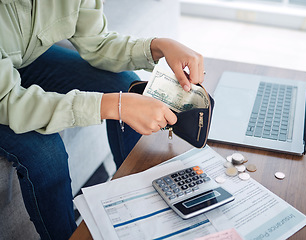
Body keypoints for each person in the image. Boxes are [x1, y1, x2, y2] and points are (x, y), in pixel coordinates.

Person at [0, 0, 204, 239]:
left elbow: (97, 43)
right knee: (45, 151)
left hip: (18, 61)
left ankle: (141, 211)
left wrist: (159, 47)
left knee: (123, 84)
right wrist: (111, 106)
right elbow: (7, 100)